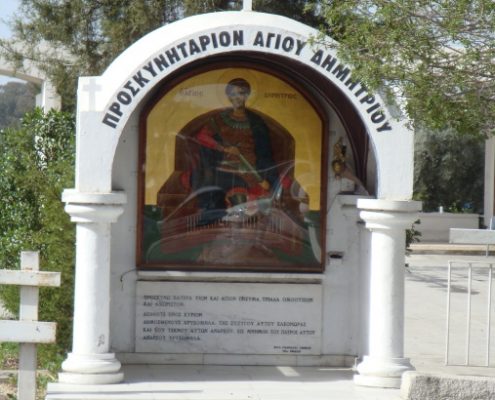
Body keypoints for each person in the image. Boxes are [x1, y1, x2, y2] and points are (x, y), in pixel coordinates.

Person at [189, 78, 279, 224]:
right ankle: (215, 215)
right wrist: (224, 148)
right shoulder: (219, 119)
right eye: (233, 94)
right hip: (225, 165)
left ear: (247, 95)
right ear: (228, 96)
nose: (237, 97)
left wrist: (265, 177)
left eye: (241, 93)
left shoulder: (256, 121)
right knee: (208, 181)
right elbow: (202, 136)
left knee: (246, 207)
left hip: (249, 167)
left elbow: (264, 150)